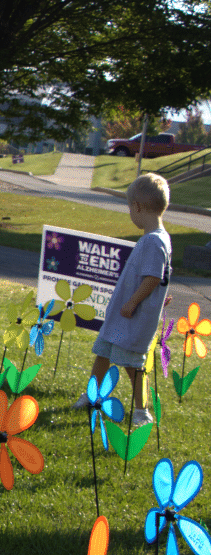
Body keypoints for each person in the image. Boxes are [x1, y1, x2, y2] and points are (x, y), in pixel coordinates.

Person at [74, 173, 172, 426]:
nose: (130, 213)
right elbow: (159, 278)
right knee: (103, 353)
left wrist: (132, 303)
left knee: (133, 364)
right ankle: (92, 396)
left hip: (133, 317)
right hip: (123, 317)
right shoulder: (158, 238)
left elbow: (152, 278)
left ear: (138, 207)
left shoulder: (153, 241)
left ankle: (142, 411)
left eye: (130, 207)